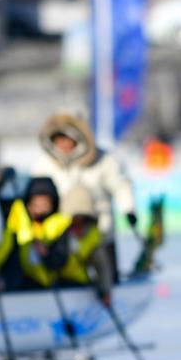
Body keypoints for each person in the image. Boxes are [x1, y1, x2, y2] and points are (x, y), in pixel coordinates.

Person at [34, 114, 136, 275]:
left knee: (106, 274)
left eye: (68, 139)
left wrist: (128, 209)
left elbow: (121, 185)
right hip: (62, 236)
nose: (63, 144)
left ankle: (108, 292)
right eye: (59, 140)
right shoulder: (45, 164)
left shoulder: (103, 160)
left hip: (101, 232)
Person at [54, 185, 114, 302]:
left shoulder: (92, 237)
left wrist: (104, 291)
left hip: (78, 284)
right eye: (74, 218)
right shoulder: (56, 230)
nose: (77, 223)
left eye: (81, 218)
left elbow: (102, 266)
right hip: (53, 284)